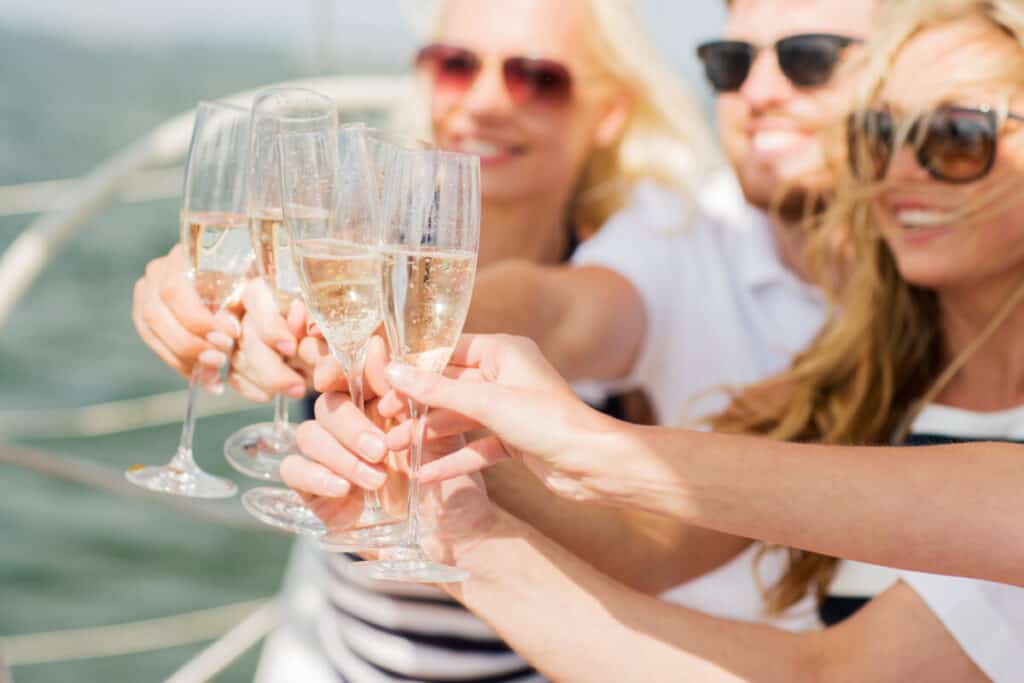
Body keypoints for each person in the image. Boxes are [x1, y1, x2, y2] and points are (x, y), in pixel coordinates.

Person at [294, 0, 1024, 679]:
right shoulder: (863, 363)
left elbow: (830, 671)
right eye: (879, 134)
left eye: (956, 136)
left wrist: (584, 445)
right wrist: (444, 494)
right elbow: (562, 319)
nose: (898, 170)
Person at [135, 0, 733, 680]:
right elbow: (283, 285)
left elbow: (536, 306)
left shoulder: (630, 273)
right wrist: (209, 293)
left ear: (611, 112)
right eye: (455, 66)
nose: (482, 102)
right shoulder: (353, 240)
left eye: (535, 77)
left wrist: (376, 315)